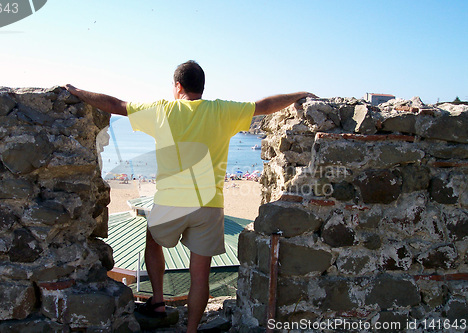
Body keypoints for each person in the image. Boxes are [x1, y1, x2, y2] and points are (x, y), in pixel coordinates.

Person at [66, 60, 316, 333]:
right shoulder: (222, 110)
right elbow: (264, 106)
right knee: (200, 275)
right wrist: (297, 95)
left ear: (178, 86)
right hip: (209, 205)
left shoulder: (162, 110)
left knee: (153, 240)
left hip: (170, 201)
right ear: (201, 87)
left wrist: (78, 91)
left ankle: (158, 301)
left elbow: (117, 105)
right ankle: (192, 330)